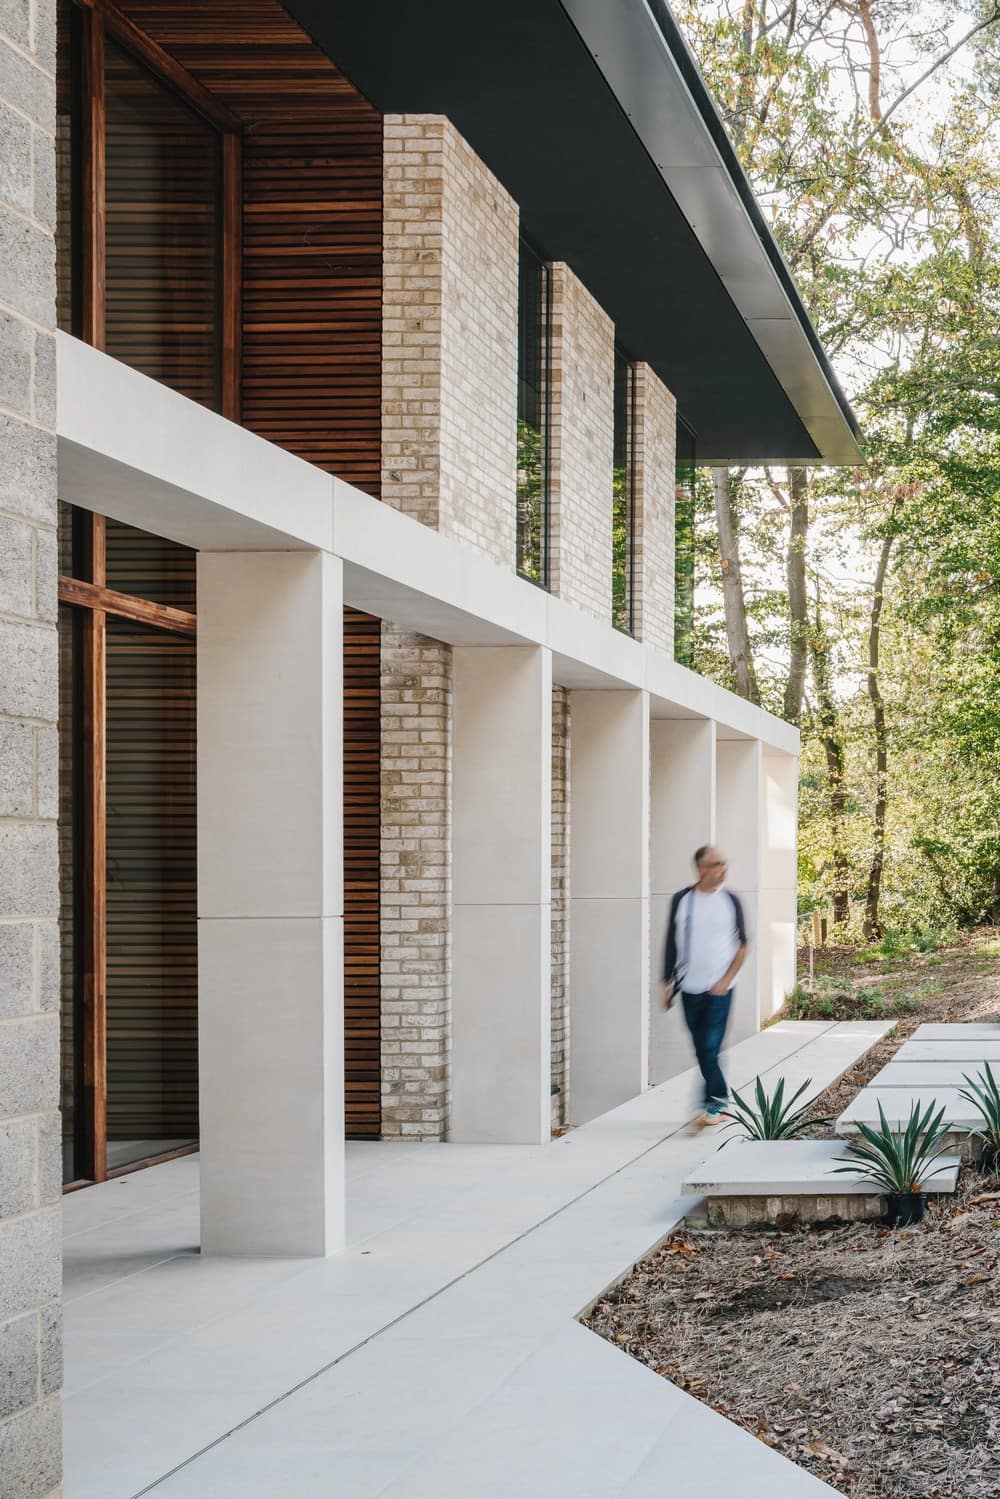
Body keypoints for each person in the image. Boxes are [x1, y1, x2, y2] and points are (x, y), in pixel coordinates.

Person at [661, 846, 748, 1128]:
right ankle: (715, 1102)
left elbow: (743, 945)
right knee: (701, 1049)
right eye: (716, 864)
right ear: (701, 869)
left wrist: (725, 980)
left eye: (724, 862)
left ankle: (716, 1103)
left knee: (710, 1046)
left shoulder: (731, 901)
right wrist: (666, 982)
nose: (723, 868)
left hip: (721, 989)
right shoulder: (682, 900)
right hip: (689, 988)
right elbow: (671, 944)